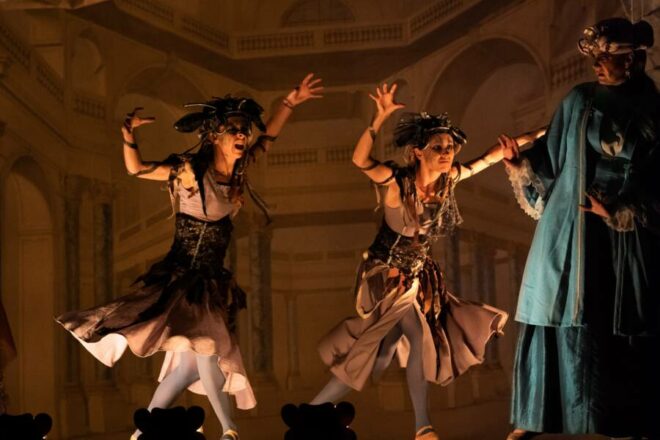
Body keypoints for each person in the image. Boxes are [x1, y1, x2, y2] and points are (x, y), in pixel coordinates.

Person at [56, 74, 323, 440]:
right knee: (208, 349)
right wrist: (128, 136)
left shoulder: (239, 172)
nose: (242, 135)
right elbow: (137, 169)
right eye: (233, 130)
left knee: (185, 368)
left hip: (211, 281)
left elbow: (269, 138)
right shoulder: (190, 172)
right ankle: (229, 429)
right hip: (183, 279)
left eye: (244, 130)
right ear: (214, 136)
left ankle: (140, 434)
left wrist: (290, 102)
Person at [311, 83, 520, 440]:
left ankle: (312, 411)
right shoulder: (398, 182)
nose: (446, 153)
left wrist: (539, 133)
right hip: (386, 276)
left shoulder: (448, 181)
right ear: (418, 152)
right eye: (438, 147)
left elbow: (486, 159)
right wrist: (378, 119)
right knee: (414, 336)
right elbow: (361, 161)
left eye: (450, 147)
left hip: (417, 277)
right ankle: (422, 426)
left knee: (377, 353)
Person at [501, 18, 660, 440]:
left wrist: (618, 211)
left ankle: (627, 420)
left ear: (632, 60)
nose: (598, 65)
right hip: (572, 228)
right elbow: (551, 159)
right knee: (559, 306)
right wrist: (520, 165)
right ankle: (538, 417)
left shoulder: (651, 109)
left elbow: (657, 176)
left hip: (623, 234)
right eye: (596, 57)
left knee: (622, 317)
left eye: (608, 57)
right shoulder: (579, 100)